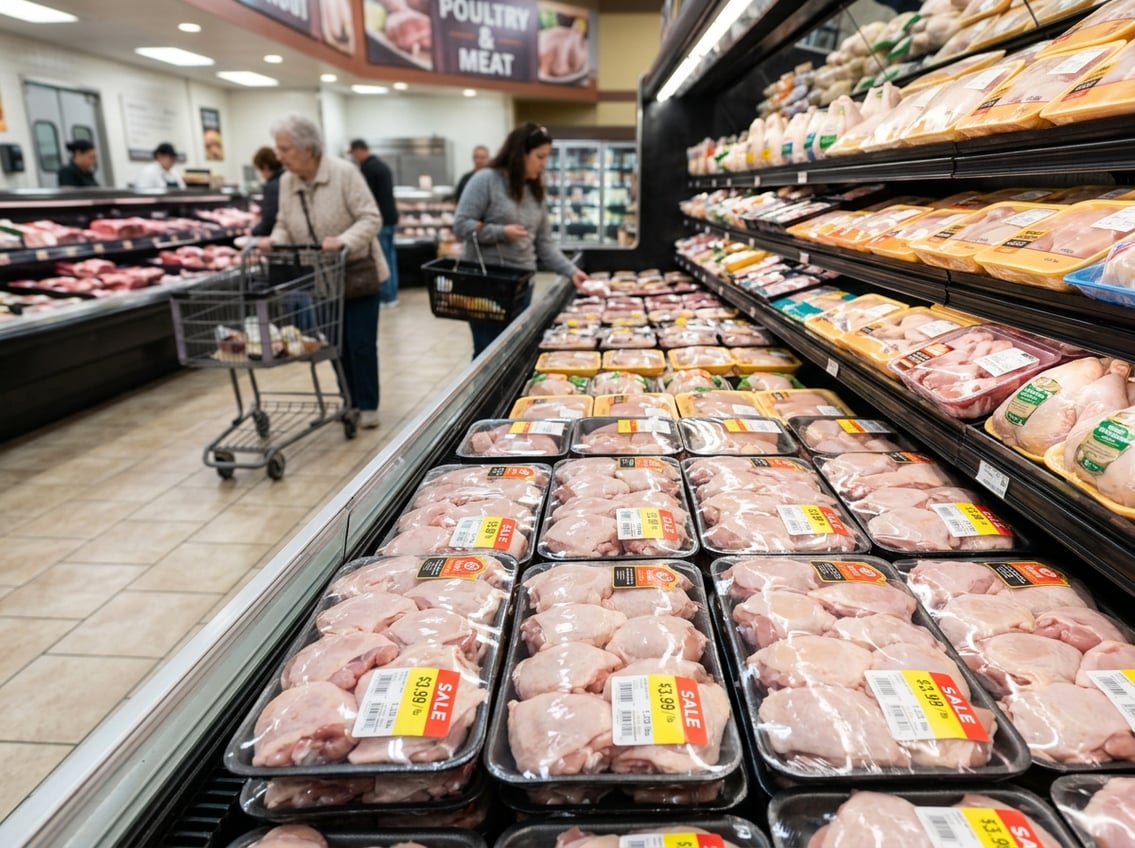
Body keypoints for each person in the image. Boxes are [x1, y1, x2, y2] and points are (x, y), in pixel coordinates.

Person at [257, 114, 389, 430]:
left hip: (357, 273)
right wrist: (275, 242)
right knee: (334, 344)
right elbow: (285, 224)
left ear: (308, 148)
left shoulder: (345, 174)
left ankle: (367, 405)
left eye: (285, 149)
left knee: (359, 343)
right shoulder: (287, 182)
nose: (279, 156)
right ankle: (349, 401)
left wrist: (342, 241)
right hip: (320, 278)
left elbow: (371, 218)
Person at [454, 122, 587, 358]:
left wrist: (571, 271)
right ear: (519, 153)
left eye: (546, 157)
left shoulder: (535, 190)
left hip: (521, 285)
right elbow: (462, 223)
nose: (544, 164)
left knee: (513, 353)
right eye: (539, 157)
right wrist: (501, 232)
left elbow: (544, 242)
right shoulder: (486, 180)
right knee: (488, 354)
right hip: (486, 284)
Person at [348, 139, 400, 308]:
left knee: (382, 259)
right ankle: (392, 295)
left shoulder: (368, 169)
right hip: (390, 218)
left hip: (380, 221)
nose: (354, 158)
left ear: (358, 150)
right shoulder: (381, 165)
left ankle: (386, 296)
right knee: (390, 258)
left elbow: (366, 200)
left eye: (354, 154)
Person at [250, 146, 284, 237]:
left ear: (265, 166)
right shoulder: (285, 178)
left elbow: (269, 222)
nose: (261, 175)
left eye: (259, 170)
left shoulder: (272, 186)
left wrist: (253, 230)